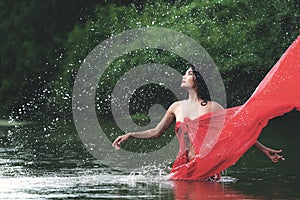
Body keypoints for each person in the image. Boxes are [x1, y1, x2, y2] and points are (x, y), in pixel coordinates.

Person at [112, 35, 300, 181]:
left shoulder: (213, 108)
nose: (184, 76)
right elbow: (156, 132)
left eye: (189, 74)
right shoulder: (176, 107)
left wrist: (264, 149)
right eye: (185, 73)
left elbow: (237, 131)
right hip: (182, 168)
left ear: (198, 81)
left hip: (207, 170)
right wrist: (131, 134)